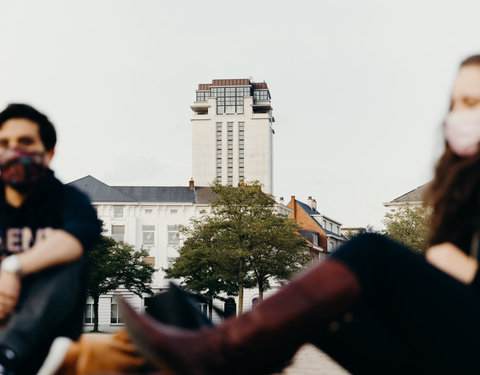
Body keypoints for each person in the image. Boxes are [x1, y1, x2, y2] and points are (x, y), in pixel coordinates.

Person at [119, 53, 480, 375]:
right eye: (458, 103)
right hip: (454, 341)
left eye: (474, 102)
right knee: (326, 309)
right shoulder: (461, 192)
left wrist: (460, 267)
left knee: (371, 251)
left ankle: (218, 348)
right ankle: (233, 362)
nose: (462, 114)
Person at [0, 104, 101, 375]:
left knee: (70, 257)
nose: (13, 151)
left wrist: (12, 267)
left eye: (25, 142)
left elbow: (82, 234)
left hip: (47, 335)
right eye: (4, 143)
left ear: (48, 153)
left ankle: (7, 354)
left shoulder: (68, 201)